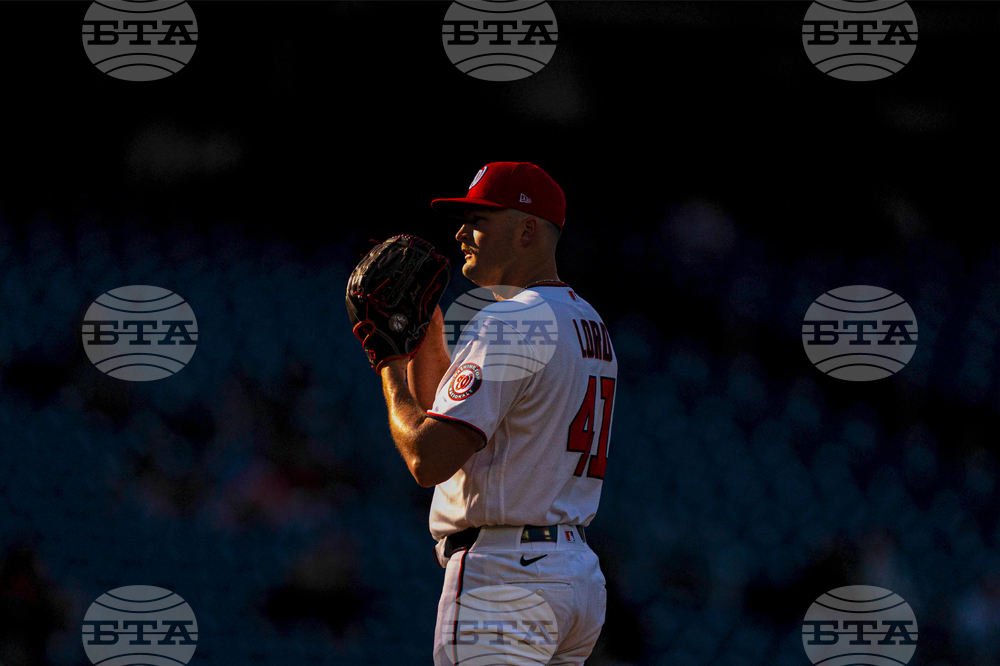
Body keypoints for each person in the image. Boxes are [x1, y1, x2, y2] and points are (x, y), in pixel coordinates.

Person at [377, 162, 618, 665]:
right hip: (572, 575)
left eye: (481, 218)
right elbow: (463, 417)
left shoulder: (512, 321)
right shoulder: (587, 321)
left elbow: (428, 459)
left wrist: (389, 365)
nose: (463, 232)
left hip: (506, 576)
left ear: (528, 229)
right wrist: (428, 334)